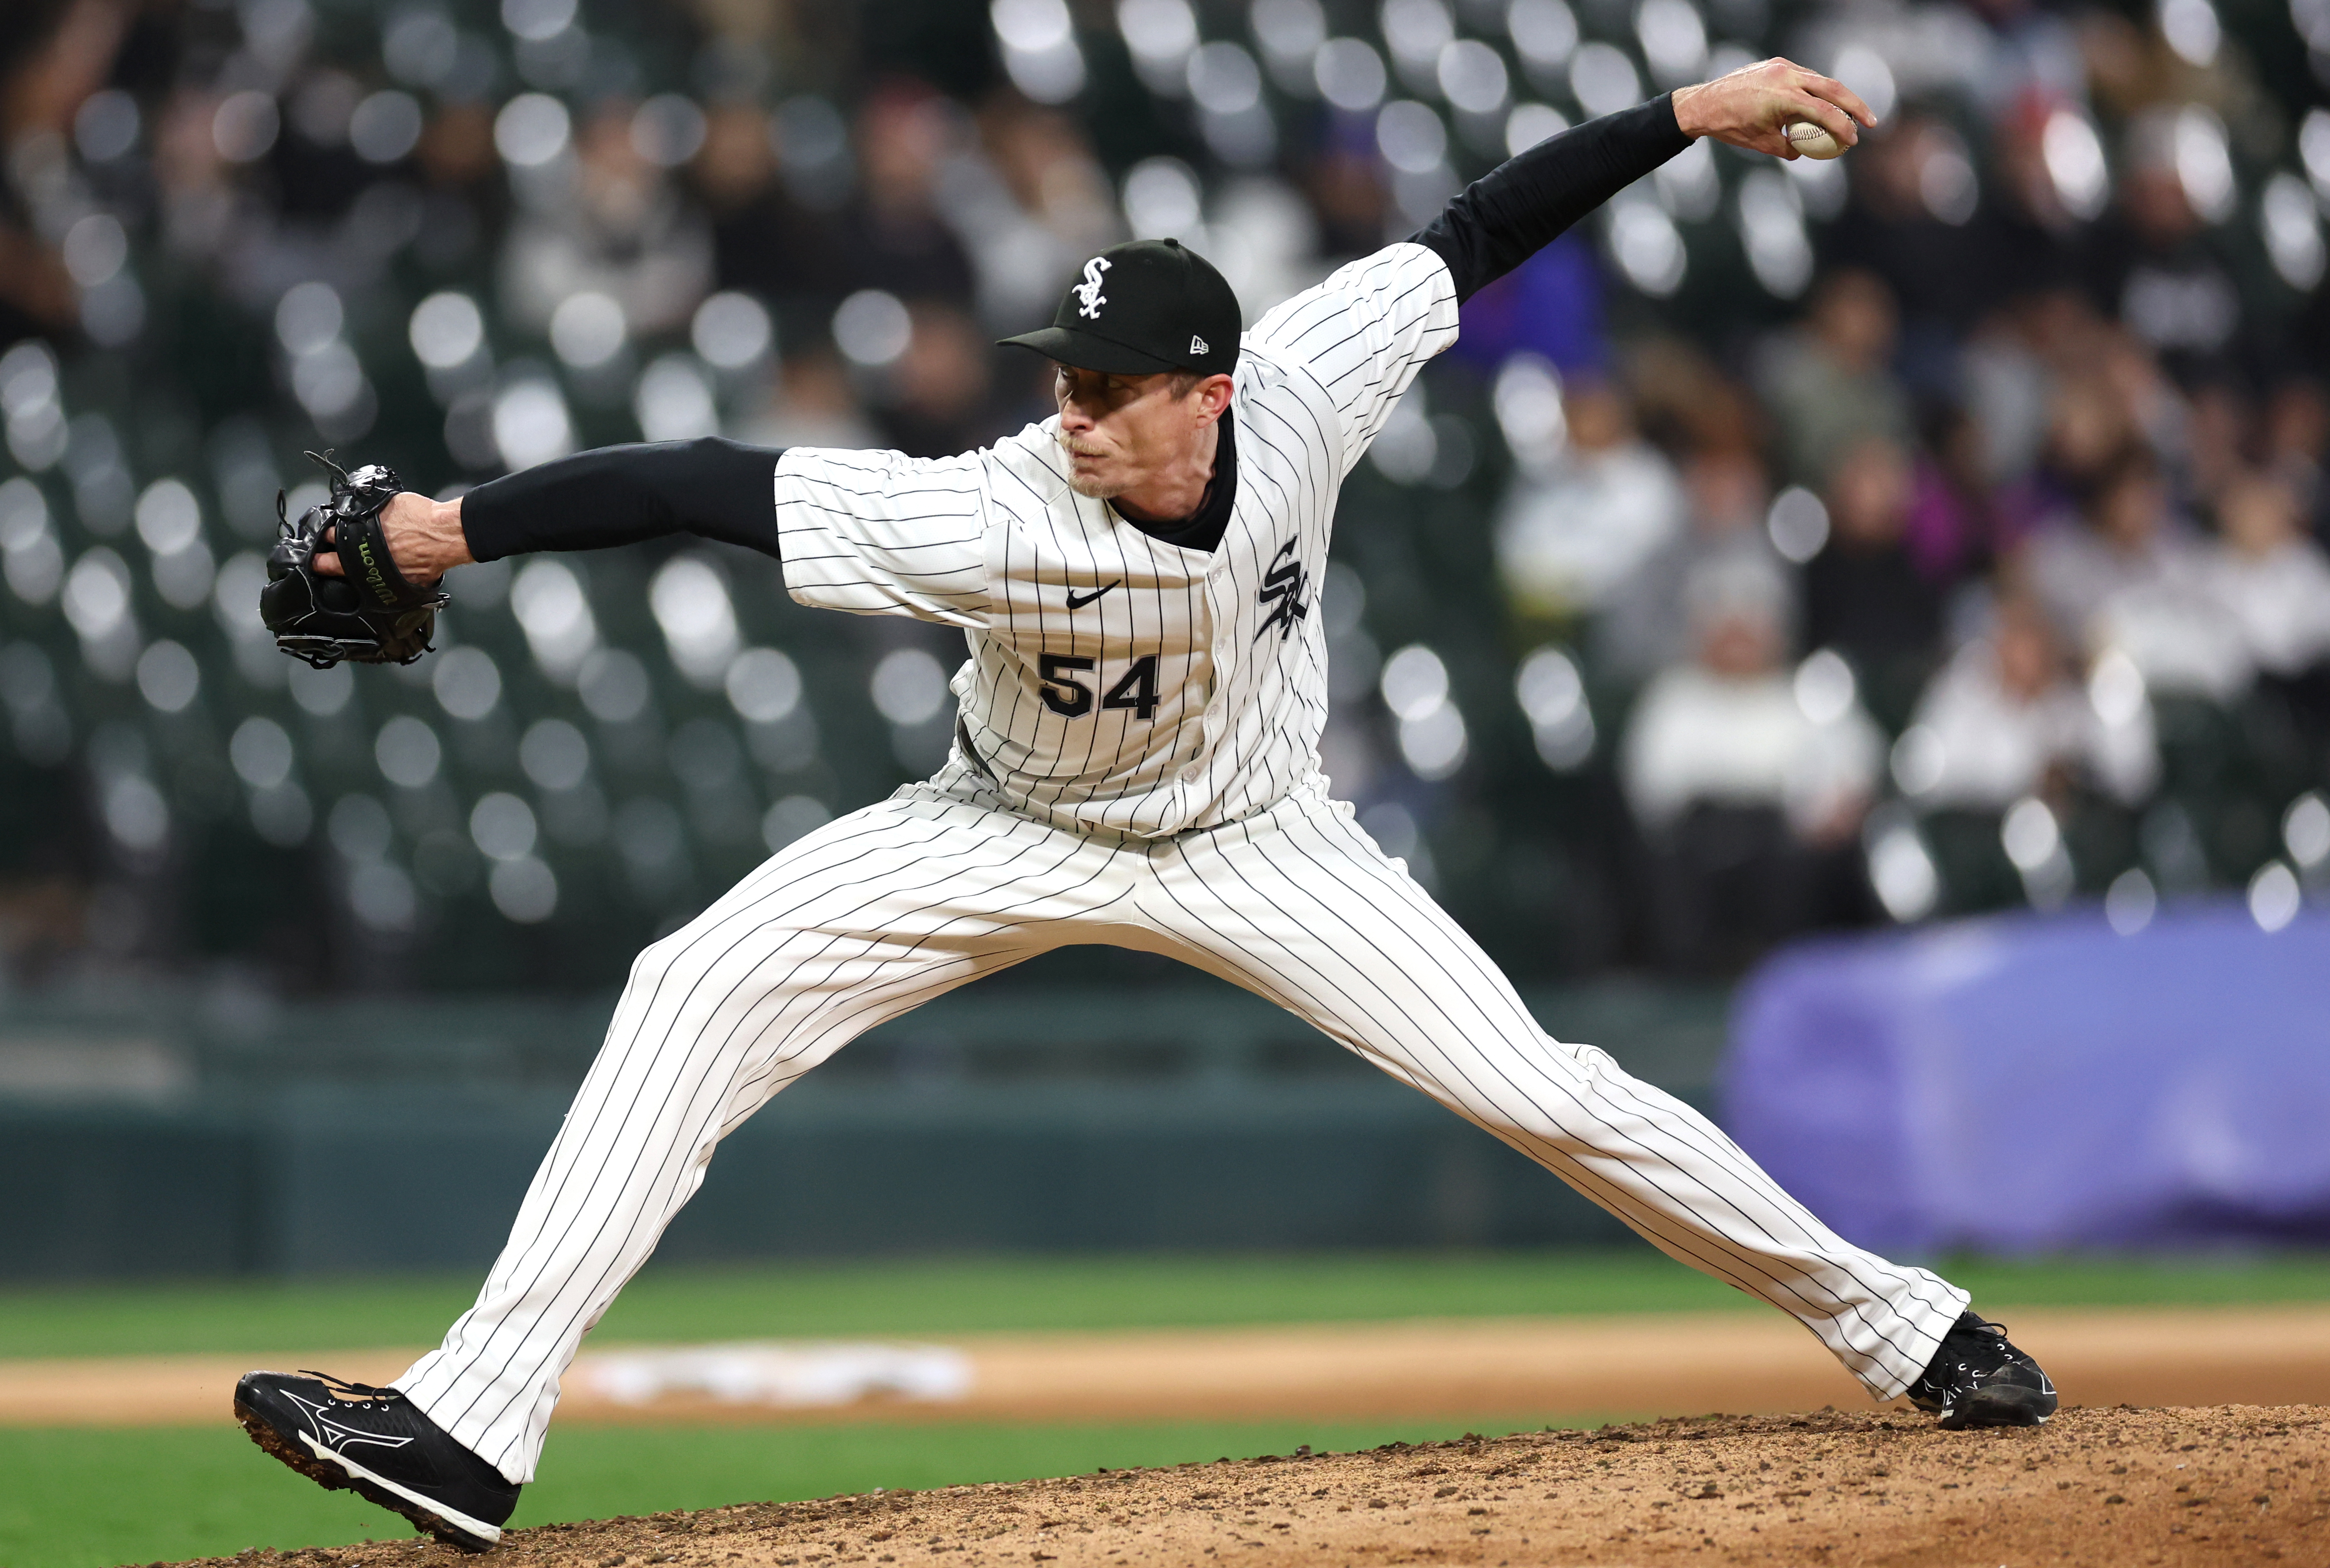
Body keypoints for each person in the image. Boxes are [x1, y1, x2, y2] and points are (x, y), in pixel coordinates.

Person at [229, 61, 2055, 1553]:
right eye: (1064, 376)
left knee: (1538, 1088)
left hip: (1261, 837)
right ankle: (470, 1427)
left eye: (1109, 387)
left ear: (1211, 391)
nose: (1074, 409)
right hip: (999, 817)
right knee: (690, 987)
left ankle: (1904, 1327)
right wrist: (440, 529)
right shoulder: (1001, 509)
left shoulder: (1314, 384)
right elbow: (702, 483)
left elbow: (1478, 230)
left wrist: (1679, 112)